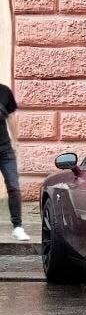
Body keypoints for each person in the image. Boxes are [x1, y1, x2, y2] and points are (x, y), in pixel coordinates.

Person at [0, 82, 28, 242]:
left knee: (13, 187)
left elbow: (11, 117)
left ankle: (17, 227)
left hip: (5, 150)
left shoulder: (4, 92)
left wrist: (16, 143)